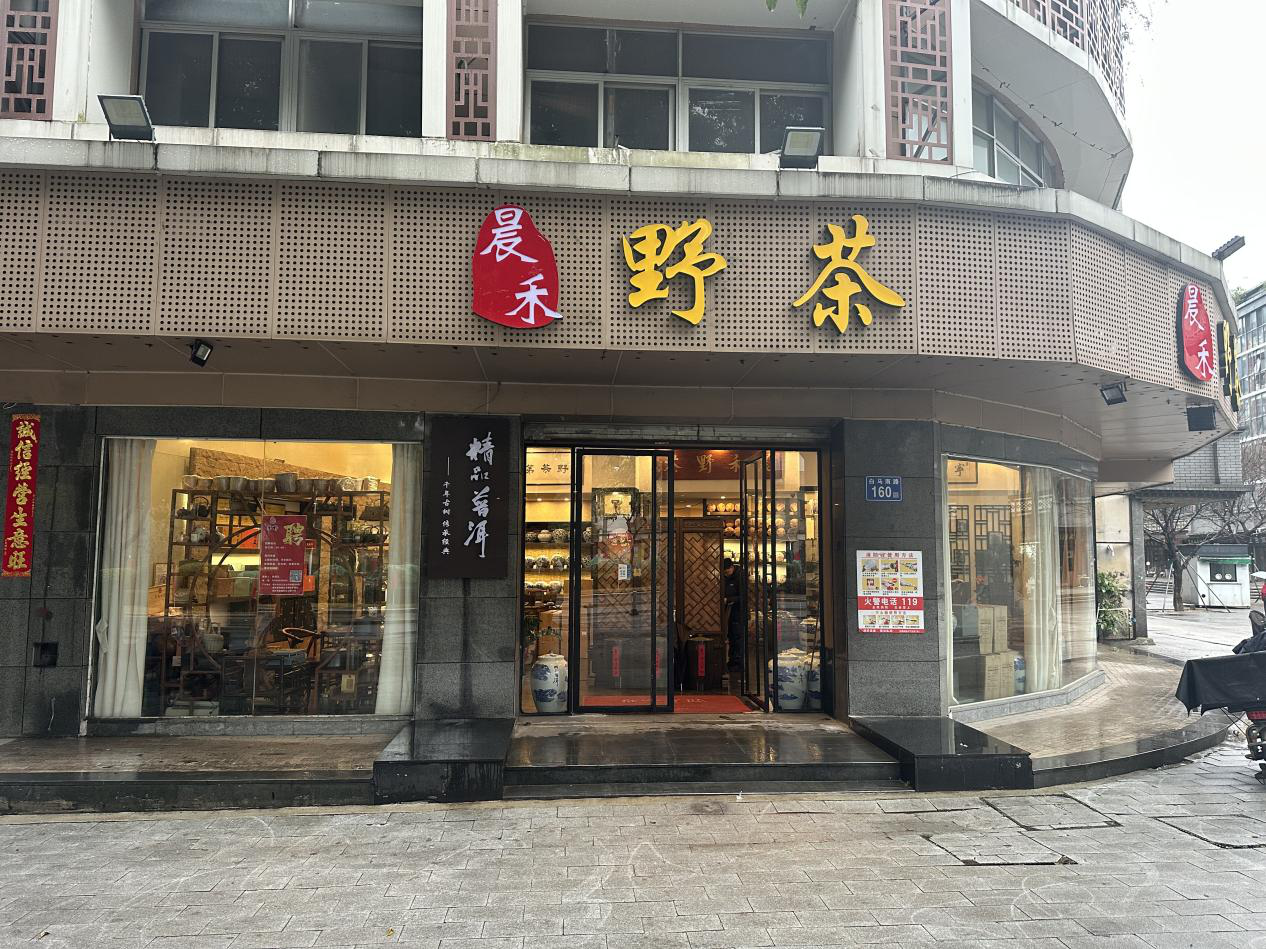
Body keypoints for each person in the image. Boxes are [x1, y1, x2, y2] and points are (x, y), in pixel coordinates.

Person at [722, 557, 744, 683]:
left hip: (738, 612)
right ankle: (732, 661)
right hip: (729, 612)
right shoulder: (727, 577)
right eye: (724, 573)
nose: (726, 574)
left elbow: (743, 596)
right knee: (731, 636)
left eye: (727, 572)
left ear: (732, 567)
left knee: (737, 637)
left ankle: (738, 663)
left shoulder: (740, 577)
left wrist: (729, 599)